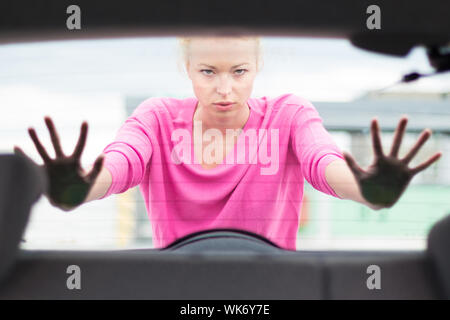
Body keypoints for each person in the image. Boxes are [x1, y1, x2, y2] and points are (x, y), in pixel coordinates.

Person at [14, 36, 442, 251]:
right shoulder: (156, 118)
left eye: (238, 71)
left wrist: (366, 189)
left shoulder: (289, 115)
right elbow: (121, 163)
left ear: (257, 66)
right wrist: (80, 189)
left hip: (269, 291)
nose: (224, 89)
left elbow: (323, 161)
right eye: (208, 72)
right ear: (187, 68)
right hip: (181, 294)